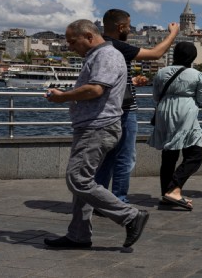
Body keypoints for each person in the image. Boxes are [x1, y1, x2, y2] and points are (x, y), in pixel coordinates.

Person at [43, 19, 149, 249]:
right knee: (83, 180)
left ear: (89, 36)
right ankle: (78, 235)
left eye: (73, 42)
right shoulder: (98, 56)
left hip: (97, 126)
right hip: (91, 126)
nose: (71, 47)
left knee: (77, 179)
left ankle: (130, 216)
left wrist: (63, 96)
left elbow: (95, 89)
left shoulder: (106, 55)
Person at [94, 9, 180, 204]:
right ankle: (118, 201)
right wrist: (173, 34)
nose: (130, 31)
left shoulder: (100, 45)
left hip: (107, 108)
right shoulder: (117, 45)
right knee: (125, 158)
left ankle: (100, 201)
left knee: (107, 158)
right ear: (121, 27)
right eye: (129, 26)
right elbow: (155, 53)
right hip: (124, 109)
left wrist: (130, 80)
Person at [147, 42, 202, 210]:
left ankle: (166, 194)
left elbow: (155, 96)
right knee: (194, 155)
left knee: (169, 156)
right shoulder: (197, 75)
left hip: (164, 112)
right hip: (185, 113)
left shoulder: (161, 72)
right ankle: (174, 189)